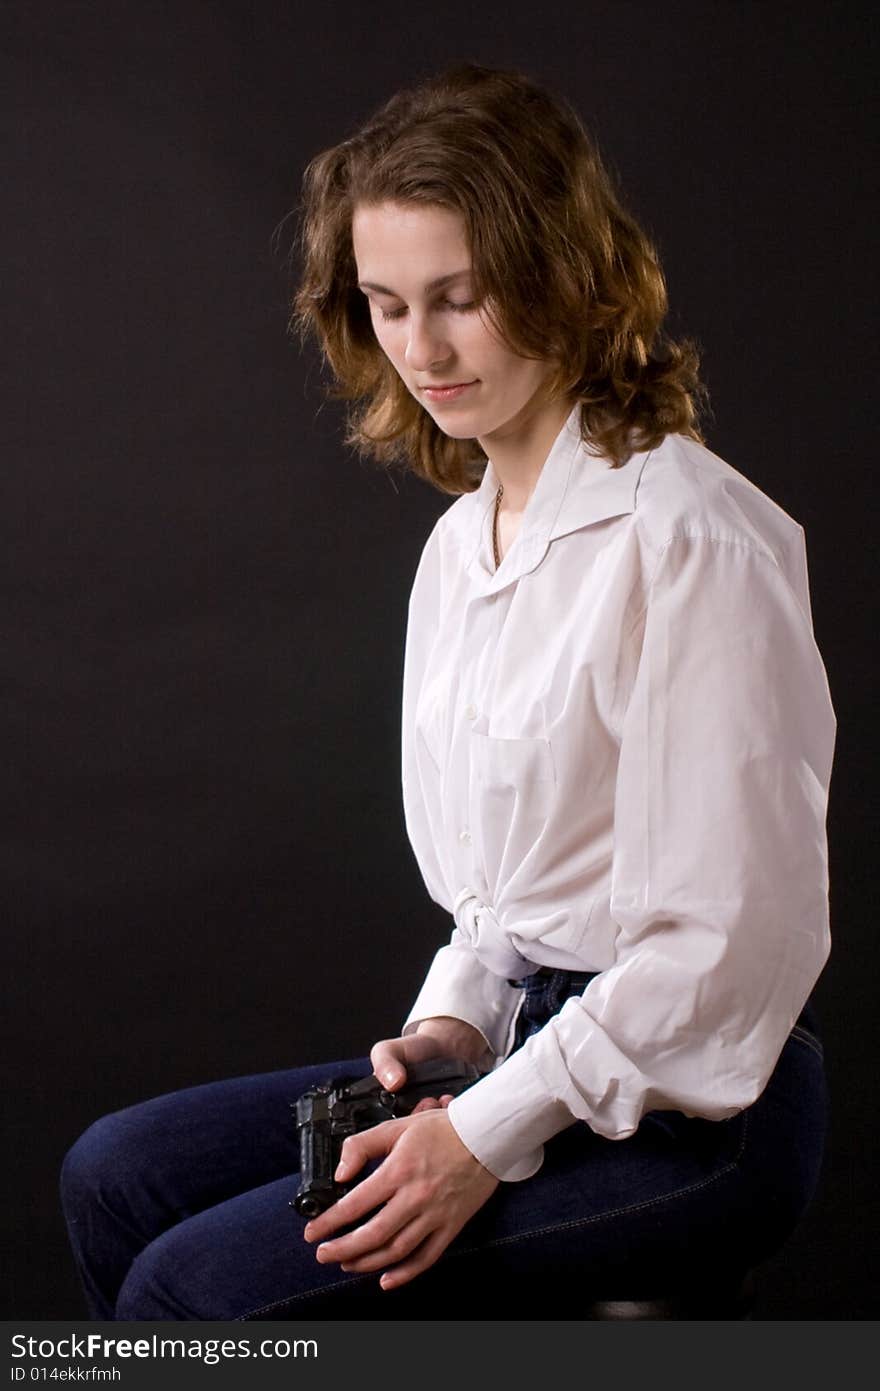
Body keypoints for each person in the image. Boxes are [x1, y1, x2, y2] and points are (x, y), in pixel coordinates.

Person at [60, 61, 836, 1320]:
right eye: (385, 305)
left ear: (560, 278)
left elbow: (729, 946)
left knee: (189, 1289)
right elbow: (506, 907)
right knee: (114, 1174)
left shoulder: (691, 536)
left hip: (699, 1101)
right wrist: (453, 1035)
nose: (420, 349)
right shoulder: (458, 548)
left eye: (460, 300)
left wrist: (480, 1134)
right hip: (530, 1047)